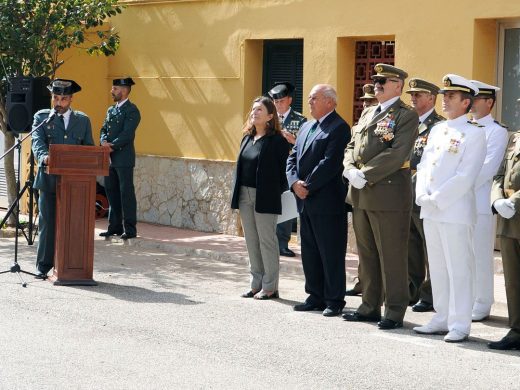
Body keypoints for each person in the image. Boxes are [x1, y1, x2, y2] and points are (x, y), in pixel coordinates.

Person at [343, 64, 418, 330]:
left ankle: (395, 310)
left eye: (383, 80)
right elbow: (352, 146)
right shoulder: (367, 112)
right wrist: (350, 168)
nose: (377, 84)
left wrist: (366, 173)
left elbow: (397, 153)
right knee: (367, 254)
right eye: (375, 80)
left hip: (387, 193)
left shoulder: (406, 116)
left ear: (398, 85)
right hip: (361, 193)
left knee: (392, 255)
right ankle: (369, 305)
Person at [413, 74, 486, 342]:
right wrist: (422, 193)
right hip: (431, 208)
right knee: (439, 267)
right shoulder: (437, 130)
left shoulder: (474, 133)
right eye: (444, 95)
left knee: (458, 268)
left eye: (451, 96)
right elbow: (423, 166)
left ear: (466, 102)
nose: (445, 100)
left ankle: (460, 324)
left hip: (454, 210)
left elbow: (467, 176)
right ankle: (441, 316)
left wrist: (437, 198)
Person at [287, 84, 350, 317]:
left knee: (330, 251)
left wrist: (308, 186)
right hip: (304, 199)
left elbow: (330, 163)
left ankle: (334, 299)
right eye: (310, 98)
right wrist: (294, 183)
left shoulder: (339, 127)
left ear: (330, 102)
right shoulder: (306, 126)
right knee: (310, 250)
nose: (310, 102)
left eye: (315, 98)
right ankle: (315, 295)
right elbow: (292, 157)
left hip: (326, 200)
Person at [32, 79, 94, 279]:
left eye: (63, 98)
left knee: (74, 223)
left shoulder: (83, 121)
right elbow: (37, 143)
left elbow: (90, 150)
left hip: (76, 185)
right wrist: (44, 157)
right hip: (49, 180)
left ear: (71, 99)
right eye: (55, 98)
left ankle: (72, 267)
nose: (58, 102)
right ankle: (43, 266)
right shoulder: (42, 118)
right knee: (48, 224)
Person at [230, 96, 289, 300]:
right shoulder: (246, 138)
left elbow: (283, 173)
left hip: (265, 196)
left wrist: (274, 191)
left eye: (260, 110)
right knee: (251, 241)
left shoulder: (278, 141)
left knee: (267, 241)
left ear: (270, 116)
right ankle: (256, 283)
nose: (254, 113)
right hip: (244, 195)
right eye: (253, 109)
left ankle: (270, 286)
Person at [468, 80, 509, 322]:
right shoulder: (464, 127)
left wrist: (458, 184)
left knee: (480, 254)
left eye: (476, 100)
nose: (471, 104)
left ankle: (482, 302)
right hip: (459, 200)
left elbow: (487, 168)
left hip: (480, 201)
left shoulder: (497, 131)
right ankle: (465, 298)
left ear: (489, 102)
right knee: (462, 252)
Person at [406, 78, 444, 312]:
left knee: (430, 246)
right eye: (411, 94)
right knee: (410, 244)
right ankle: (412, 289)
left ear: (431, 98)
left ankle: (430, 294)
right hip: (403, 192)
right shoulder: (408, 122)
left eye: (418, 94)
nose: (412, 98)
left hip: (423, 192)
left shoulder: (438, 126)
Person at [488, 125, 520, 350]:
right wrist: (497, 199)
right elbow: (499, 174)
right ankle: (517, 329)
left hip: (515, 207)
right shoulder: (515, 138)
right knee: (513, 280)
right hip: (510, 220)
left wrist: (515, 201)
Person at [345, 83, 378, 297]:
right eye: (364, 100)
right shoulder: (356, 127)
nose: (366, 104)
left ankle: (379, 287)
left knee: (380, 246)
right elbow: (350, 151)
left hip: (378, 188)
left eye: (371, 100)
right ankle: (363, 282)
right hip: (357, 190)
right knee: (363, 246)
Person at [268, 81, 307, 258]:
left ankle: (282, 243)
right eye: (275, 102)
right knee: (268, 206)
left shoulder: (301, 121)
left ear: (289, 100)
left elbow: (306, 147)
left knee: (287, 206)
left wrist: (293, 140)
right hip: (270, 168)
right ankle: (268, 241)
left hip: (289, 169)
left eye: (281, 101)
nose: (277, 104)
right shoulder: (267, 118)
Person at [99, 78, 141, 240]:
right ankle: (114, 226)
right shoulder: (111, 110)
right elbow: (103, 128)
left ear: (123, 91)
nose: (112, 91)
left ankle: (130, 229)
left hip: (123, 158)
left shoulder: (132, 110)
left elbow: (127, 134)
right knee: (112, 192)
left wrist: (111, 146)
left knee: (126, 193)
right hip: (109, 158)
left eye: (114, 88)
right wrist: (103, 141)